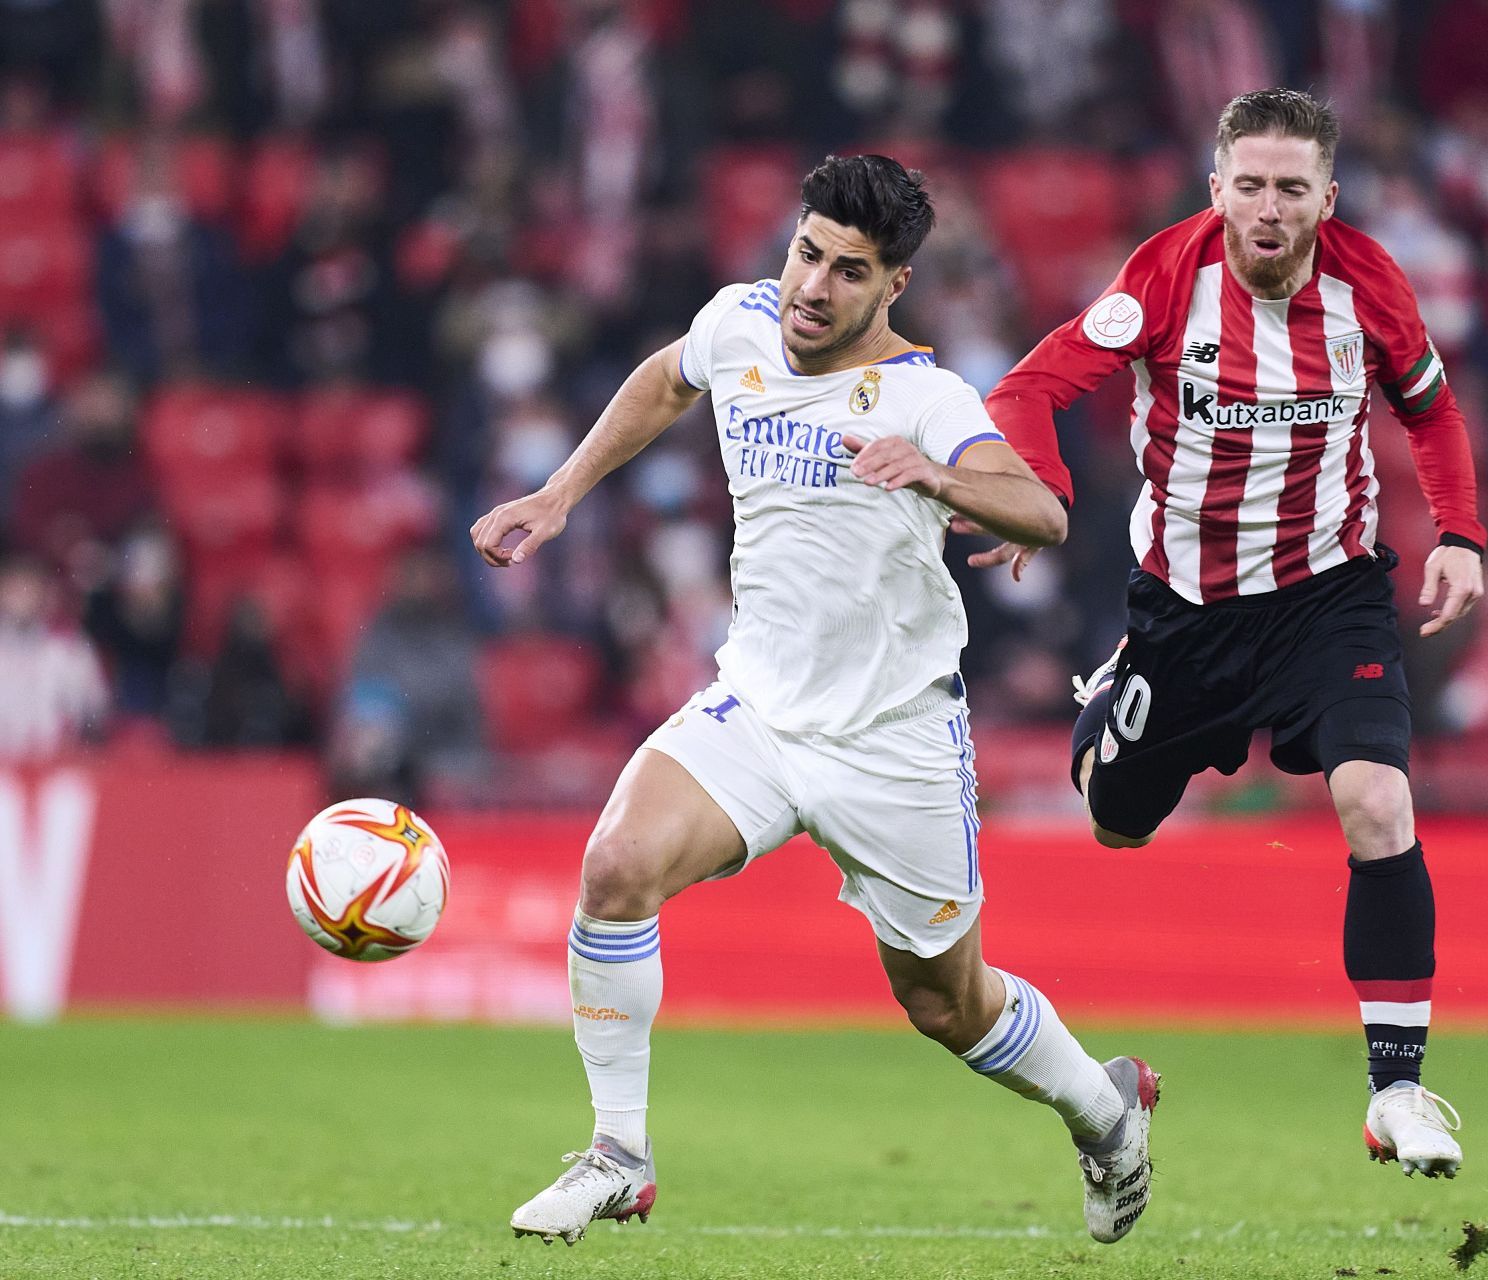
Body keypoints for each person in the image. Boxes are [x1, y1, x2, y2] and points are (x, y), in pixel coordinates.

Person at [470, 155, 1160, 1247]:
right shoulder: (740, 323)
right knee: (615, 867)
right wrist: (561, 492)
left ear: (895, 284)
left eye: (848, 270)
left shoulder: (928, 399)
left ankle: (1105, 1111)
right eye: (806, 253)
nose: (812, 287)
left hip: (895, 739)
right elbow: (666, 378)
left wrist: (935, 475)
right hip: (759, 705)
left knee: (946, 1003)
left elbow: (1040, 512)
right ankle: (618, 1152)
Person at [973, 89, 1486, 1178]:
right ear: (1217, 189)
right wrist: (1044, 496)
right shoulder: (1164, 276)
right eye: (1247, 184)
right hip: (1188, 613)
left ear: (1326, 197)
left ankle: (1397, 1088)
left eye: (1290, 188)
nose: (1267, 206)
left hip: (1328, 594)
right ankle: (1118, 695)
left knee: (1377, 797)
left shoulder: (1372, 285)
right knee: (1116, 823)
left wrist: (1460, 532)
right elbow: (1028, 387)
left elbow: (1429, 407)